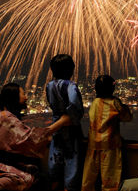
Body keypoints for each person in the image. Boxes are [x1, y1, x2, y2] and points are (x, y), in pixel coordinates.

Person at [0, 83, 73, 191]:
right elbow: (32, 138)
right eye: (23, 94)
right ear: (14, 97)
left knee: (33, 171)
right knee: (24, 179)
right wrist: (61, 122)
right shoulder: (6, 118)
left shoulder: (8, 116)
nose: (26, 97)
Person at [82, 75, 133, 191]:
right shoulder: (115, 102)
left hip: (93, 145)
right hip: (110, 145)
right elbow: (127, 118)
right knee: (110, 179)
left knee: (88, 179)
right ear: (112, 88)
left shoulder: (94, 102)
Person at [46, 54, 84, 191]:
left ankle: (53, 183)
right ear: (71, 69)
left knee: (55, 155)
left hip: (56, 125)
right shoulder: (71, 85)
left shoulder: (49, 85)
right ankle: (69, 187)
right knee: (72, 158)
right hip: (70, 127)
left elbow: (51, 103)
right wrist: (73, 117)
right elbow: (74, 104)